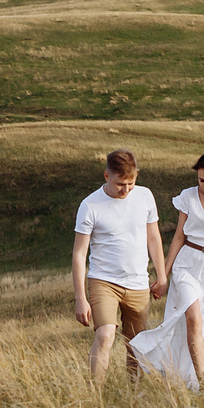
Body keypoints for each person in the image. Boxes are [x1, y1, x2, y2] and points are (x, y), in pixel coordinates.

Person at [131, 150, 204, 390]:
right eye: (201, 180)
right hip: (188, 265)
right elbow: (178, 237)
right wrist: (163, 276)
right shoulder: (187, 196)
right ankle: (202, 382)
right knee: (193, 318)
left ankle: (202, 386)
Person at [70, 149, 167, 382]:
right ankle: (95, 394)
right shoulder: (90, 205)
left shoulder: (145, 196)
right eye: (120, 184)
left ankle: (134, 395)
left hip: (138, 282)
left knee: (136, 344)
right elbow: (79, 254)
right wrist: (80, 298)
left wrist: (162, 276)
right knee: (105, 335)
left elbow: (154, 239)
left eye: (131, 183)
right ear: (106, 176)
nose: (126, 189)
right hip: (104, 281)